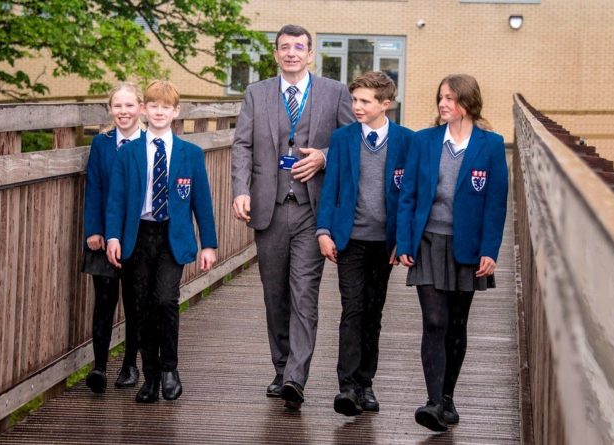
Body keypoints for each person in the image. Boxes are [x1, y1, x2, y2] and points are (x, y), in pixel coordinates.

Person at [231, 24, 354, 410]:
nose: (291, 54)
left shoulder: (335, 93)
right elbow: (242, 146)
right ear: (276, 54)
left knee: (304, 293)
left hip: (312, 210)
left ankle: (295, 378)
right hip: (269, 207)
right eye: (284, 48)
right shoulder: (257, 93)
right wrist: (240, 189)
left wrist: (325, 156)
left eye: (298, 48)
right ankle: (281, 367)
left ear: (310, 53)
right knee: (275, 295)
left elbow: (351, 145)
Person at [396, 74, 509, 431]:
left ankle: (447, 398)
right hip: (428, 241)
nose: (443, 104)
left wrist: (490, 250)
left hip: (467, 247)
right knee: (434, 321)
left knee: (457, 325)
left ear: (468, 102)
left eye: (450, 98)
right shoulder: (424, 141)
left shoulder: (491, 146)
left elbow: (496, 203)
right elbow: (408, 195)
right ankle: (432, 402)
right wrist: (404, 240)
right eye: (440, 97)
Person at [105, 80, 218, 404]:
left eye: (165, 107)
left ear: (175, 112)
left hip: (172, 235)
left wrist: (207, 244)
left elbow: (202, 202)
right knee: (140, 308)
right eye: (152, 106)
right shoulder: (128, 154)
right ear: (144, 110)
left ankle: (170, 368)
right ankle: (150, 376)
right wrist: (113, 236)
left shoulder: (189, 154)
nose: (158, 112)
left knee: (165, 300)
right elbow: (116, 200)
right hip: (137, 236)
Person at [315, 71, 414, 416]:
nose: (356, 106)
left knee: (373, 313)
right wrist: (324, 230)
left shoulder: (406, 140)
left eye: (364, 101)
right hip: (350, 240)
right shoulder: (343, 139)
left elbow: (409, 196)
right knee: (352, 309)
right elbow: (332, 188)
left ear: (385, 104)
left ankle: (366, 384)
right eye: (354, 100)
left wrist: (403, 240)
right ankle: (347, 387)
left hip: (383, 243)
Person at [82, 82, 144, 393]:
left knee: (134, 304)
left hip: (137, 237)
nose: (123, 112)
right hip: (103, 235)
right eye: (117, 106)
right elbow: (93, 186)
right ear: (110, 109)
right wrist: (93, 229)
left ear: (140, 108)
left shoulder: (150, 143)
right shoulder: (101, 144)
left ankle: (130, 365)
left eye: (129, 105)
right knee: (104, 301)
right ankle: (99, 367)